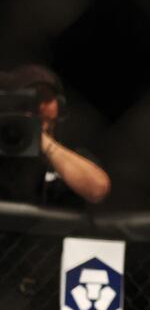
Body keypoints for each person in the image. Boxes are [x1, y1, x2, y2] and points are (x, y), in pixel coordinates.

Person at [0, 64, 110, 206]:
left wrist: (40, 138)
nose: (39, 107)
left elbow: (97, 190)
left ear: (59, 105)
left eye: (45, 98)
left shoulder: (73, 156)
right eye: (29, 100)